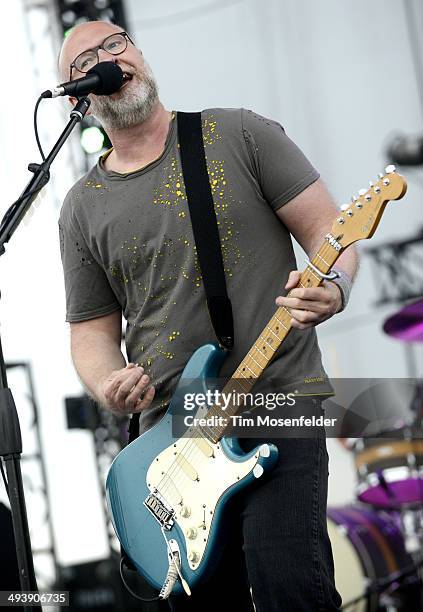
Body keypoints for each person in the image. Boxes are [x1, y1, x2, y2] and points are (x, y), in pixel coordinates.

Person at [58, 20, 358, 611]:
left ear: (138, 53)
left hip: (277, 399)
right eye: (86, 61)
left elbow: (333, 229)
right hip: (172, 443)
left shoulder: (239, 134)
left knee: (291, 586)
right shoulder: (82, 207)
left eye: (116, 44)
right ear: (80, 96)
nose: (109, 59)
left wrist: (337, 287)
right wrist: (108, 382)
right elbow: (91, 335)